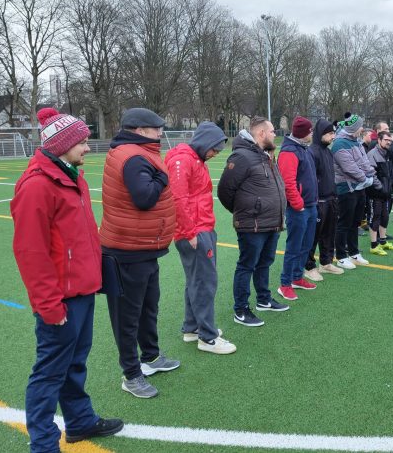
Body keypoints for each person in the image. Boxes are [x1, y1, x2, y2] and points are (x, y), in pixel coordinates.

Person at [11, 109, 123, 452]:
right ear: (63, 144)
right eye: (82, 141)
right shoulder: (37, 186)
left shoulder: (72, 176)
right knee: (49, 372)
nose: (88, 147)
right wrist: (48, 304)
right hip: (60, 299)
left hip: (83, 291)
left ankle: (79, 421)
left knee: (75, 362)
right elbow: (31, 253)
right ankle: (43, 443)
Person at [100, 107, 179, 399]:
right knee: (127, 316)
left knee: (148, 307)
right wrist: (163, 176)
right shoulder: (133, 156)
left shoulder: (136, 153)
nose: (160, 133)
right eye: (156, 128)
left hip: (143, 248)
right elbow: (144, 197)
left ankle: (151, 357)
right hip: (126, 251)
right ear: (139, 130)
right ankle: (131, 374)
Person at [165, 122, 236, 355]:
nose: (215, 154)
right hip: (195, 231)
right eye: (214, 149)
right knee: (205, 283)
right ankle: (207, 337)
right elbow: (178, 198)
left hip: (202, 226)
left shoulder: (195, 159)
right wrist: (189, 232)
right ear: (205, 142)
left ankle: (192, 328)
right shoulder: (183, 159)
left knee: (196, 281)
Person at [218, 117, 290, 326]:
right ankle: (241, 310)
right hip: (253, 224)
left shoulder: (266, 155)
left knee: (265, 263)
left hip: (271, 222)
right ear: (260, 134)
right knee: (246, 265)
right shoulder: (242, 156)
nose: (275, 134)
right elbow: (225, 191)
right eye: (272, 131)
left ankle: (263, 300)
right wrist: (247, 212)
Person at [277, 117, 319, 301]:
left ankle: (296, 277)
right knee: (294, 247)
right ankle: (285, 284)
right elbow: (288, 183)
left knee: (306, 245)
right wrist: (298, 205)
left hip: (310, 205)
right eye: (309, 131)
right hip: (299, 209)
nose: (311, 134)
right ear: (303, 133)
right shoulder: (289, 151)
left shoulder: (303, 149)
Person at [332, 114, 379, 269]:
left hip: (359, 187)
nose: (362, 129)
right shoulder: (339, 143)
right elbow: (349, 167)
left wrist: (371, 174)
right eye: (360, 126)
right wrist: (364, 179)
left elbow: (364, 162)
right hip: (347, 188)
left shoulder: (356, 142)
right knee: (344, 223)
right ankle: (340, 255)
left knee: (355, 222)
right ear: (354, 128)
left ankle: (354, 253)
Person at [304, 119, 345, 280]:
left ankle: (326, 262)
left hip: (331, 199)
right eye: (329, 133)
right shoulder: (311, 152)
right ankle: (308, 266)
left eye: (333, 133)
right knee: (313, 236)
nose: (333, 136)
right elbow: (309, 179)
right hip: (318, 201)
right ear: (321, 134)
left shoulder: (328, 151)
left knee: (329, 233)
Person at [367, 131, 393, 256]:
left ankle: (383, 241)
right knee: (375, 217)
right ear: (379, 140)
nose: (389, 142)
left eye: (390, 140)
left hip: (386, 193)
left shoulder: (388, 153)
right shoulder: (372, 154)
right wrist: (380, 187)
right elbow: (370, 174)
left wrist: (389, 187)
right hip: (375, 193)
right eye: (386, 140)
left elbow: (389, 173)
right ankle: (374, 245)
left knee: (385, 217)